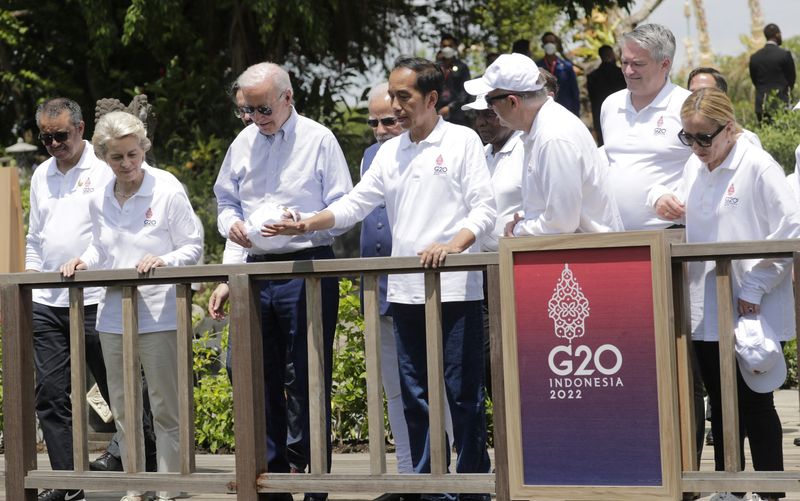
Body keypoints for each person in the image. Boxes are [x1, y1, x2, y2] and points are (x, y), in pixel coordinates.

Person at [266, 56, 494, 499]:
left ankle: (473, 489)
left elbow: (484, 209)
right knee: (416, 398)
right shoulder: (390, 152)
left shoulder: (463, 140)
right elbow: (354, 204)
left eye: (404, 97)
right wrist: (307, 224)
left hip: (456, 288)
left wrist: (454, 244)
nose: (396, 106)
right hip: (407, 291)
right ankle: (432, 490)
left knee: (462, 396)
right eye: (392, 96)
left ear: (432, 98)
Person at [650, 87, 800, 501]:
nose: (696, 147)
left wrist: (755, 286)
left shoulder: (757, 164)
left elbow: (791, 228)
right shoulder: (695, 166)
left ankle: (769, 491)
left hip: (749, 304)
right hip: (704, 304)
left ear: (729, 128)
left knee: (755, 400)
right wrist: (661, 200)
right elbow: (679, 204)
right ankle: (728, 487)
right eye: (688, 137)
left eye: (704, 138)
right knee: (719, 401)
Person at [213, 62, 353, 496]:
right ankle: (271, 475)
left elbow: (344, 207)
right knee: (253, 370)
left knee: (309, 373)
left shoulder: (319, 139)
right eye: (246, 111)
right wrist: (230, 235)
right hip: (254, 270)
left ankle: (313, 478)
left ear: (287, 98)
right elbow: (225, 202)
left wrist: (307, 225)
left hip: (306, 266)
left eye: (262, 109)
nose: (255, 119)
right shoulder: (242, 142)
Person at [60, 110, 203, 501]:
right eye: (117, 157)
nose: (126, 165)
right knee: (122, 408)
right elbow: (101, 247)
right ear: (105, 156)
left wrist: (163, 261)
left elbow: (194, 246)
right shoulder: (100, 196)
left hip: (159, 312)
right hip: (112, 314)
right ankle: (137, 485)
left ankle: (170, 487)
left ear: (144, 149)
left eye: (133, 155)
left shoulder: (168, 188)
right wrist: (84, 260)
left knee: (165, 406)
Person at [26, 97, 118, 501]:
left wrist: (91, 262)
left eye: (60, 135)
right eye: (45, 137)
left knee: (119, 391)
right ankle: (68, 481)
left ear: (80, 129)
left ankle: (148, 473)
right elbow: (35, 238)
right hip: (47, 300)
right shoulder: (41, 174)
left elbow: (112, 232)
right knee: (49, 393)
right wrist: (28, 282)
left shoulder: (104, 170)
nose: (54, 144)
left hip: (95, 297)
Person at [463, 53, 622, 237]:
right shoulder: (542, 130)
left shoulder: (553, 136)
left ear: (512, 101)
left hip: (590, 258)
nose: (490, 109)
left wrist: (518, 229)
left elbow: (561, 224)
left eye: (490, 102)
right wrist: (526, 219)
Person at [361, 82, 412, 473]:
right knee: (392, 388)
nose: (380, 130)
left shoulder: (422, 153)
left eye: (388, 121)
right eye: (373, 122)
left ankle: (442, 470)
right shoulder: (369, 157)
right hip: (377, 289)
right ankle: (408, 473)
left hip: (414, 286)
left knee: (429, 387)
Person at [600, 23, 692, 231]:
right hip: (616, 237)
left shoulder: (687, 106)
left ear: (664, 64)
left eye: (638, 64)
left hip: (670, 234)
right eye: (624, 62)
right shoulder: (610, 105)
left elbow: (710, 169)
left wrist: (677, 197)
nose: (628, 71)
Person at [688, 67, 761, 147]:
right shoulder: (681, 138)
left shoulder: (746, 141)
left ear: (723, 97)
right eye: (692, 93)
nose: (697, 98)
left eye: (705, 91)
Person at [749, 23, 796, 123]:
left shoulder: (755, 57)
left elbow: (755, 80)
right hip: (781, 104)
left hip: (762, 104)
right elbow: (791, 79)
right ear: (777, 35)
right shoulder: (784, 55)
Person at [586, 45, 626, 145]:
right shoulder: (622, 74)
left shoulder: (592, 77)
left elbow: (593, 103)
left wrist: (596, 125)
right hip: (622, 117)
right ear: (611, 54)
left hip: (602, 119)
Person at [536, 32, 580, 116]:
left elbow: (574, 91)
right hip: (544, 112)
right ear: (543, 45)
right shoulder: (537, 66)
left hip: (566, 110)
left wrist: (576, 113)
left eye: (552, 42)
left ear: (556, 44)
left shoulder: (567, 66)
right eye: (547, 42)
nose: (549, 45)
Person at [436, 33, 471, 126]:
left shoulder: (462, 67)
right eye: (444, 46)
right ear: (440, 47)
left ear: (455, 47)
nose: (447, 48)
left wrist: (450, 107)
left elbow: (465, 91)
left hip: (456, 114)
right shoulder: (435, 67)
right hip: (437, 112)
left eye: (450, 46)